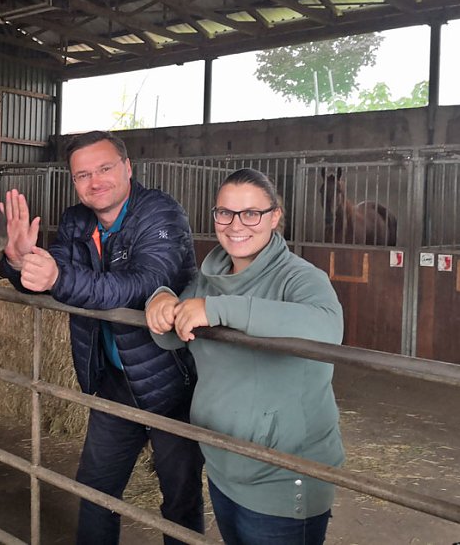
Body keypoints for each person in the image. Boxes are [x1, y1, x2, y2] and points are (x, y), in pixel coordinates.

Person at [0, 130, 204, 545]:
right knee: (94, 489)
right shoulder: (77, 220)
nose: (95, 181)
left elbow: (142, 285)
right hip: (113, 380)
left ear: (128, 168)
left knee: (179, 498)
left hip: (172, 383)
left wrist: (57, 276)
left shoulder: (160, 213)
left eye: (105, 168)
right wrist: (20, 261)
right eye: (83, 175)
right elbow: (50, 278)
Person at [145, 168, 345, 545]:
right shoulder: (209, 278)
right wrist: (160, 301)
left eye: (251, 213)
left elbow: (327, 329)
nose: (236, 225)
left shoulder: (300, 278)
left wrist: (219, 310)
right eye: (225, 213)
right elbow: (173, 340)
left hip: (282, 473)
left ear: (274, 216)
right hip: (223, 462)